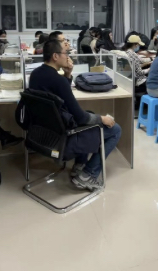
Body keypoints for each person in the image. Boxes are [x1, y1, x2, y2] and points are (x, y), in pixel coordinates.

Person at [29, 40, 121, 191]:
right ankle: (87, 175)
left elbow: (60, 95)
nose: (68, 56)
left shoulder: (35, 74)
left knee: (90, 114)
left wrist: (67, 74)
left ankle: (79, 165)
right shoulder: (58, 80)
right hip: (63, 140)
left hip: (43, 135)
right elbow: (81, 118)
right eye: (65, 53)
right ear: (55, 56)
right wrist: (102, 119)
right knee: (115, 129)